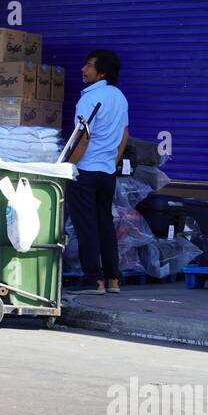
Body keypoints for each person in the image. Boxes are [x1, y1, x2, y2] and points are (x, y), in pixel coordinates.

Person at [65, 49, 129, 295]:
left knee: (86, 226)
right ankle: (113, 279)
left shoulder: (89, 98)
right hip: (106, 173)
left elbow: (82, 137)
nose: (83, 69)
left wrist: (68, 167)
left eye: (89, 66)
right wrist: (113, 162)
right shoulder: (120, 97)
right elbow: (124, 134)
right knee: (104, 224)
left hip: (86, 170)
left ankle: (93, 280)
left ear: (101, 72)